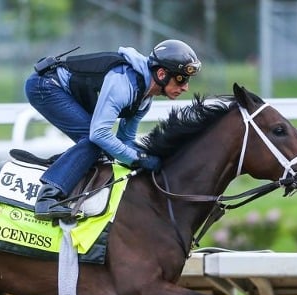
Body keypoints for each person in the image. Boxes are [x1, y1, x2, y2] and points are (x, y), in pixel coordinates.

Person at [25, 39, 201, 220]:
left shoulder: (145, 98)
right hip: (44, 86)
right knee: (94, 141)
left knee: (104, 147)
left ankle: (65, 169)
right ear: (162, 73)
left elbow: (125, 140)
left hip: (63, 90)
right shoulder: (123, 83)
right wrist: (138, 159)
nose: (185, 87)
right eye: (181, 78)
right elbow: (99, 134)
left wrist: (152, 158)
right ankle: (47, 198)